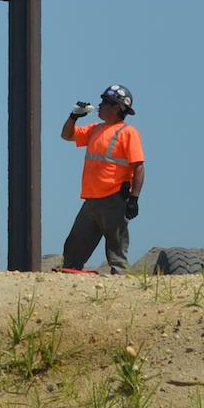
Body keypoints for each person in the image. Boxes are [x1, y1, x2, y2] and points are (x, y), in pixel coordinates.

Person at [59, 84, 144, 274]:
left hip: (114, 199)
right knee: (74, 245)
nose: (100, 105)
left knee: (116, 250)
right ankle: (69, 276)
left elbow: (138, 167)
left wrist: (134, 198)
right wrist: (74, 116)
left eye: (105, 102)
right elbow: (66, 135)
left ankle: (119, 281)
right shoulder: (95, 130)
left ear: (117, 108)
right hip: (91, 200)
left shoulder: (128, 133)